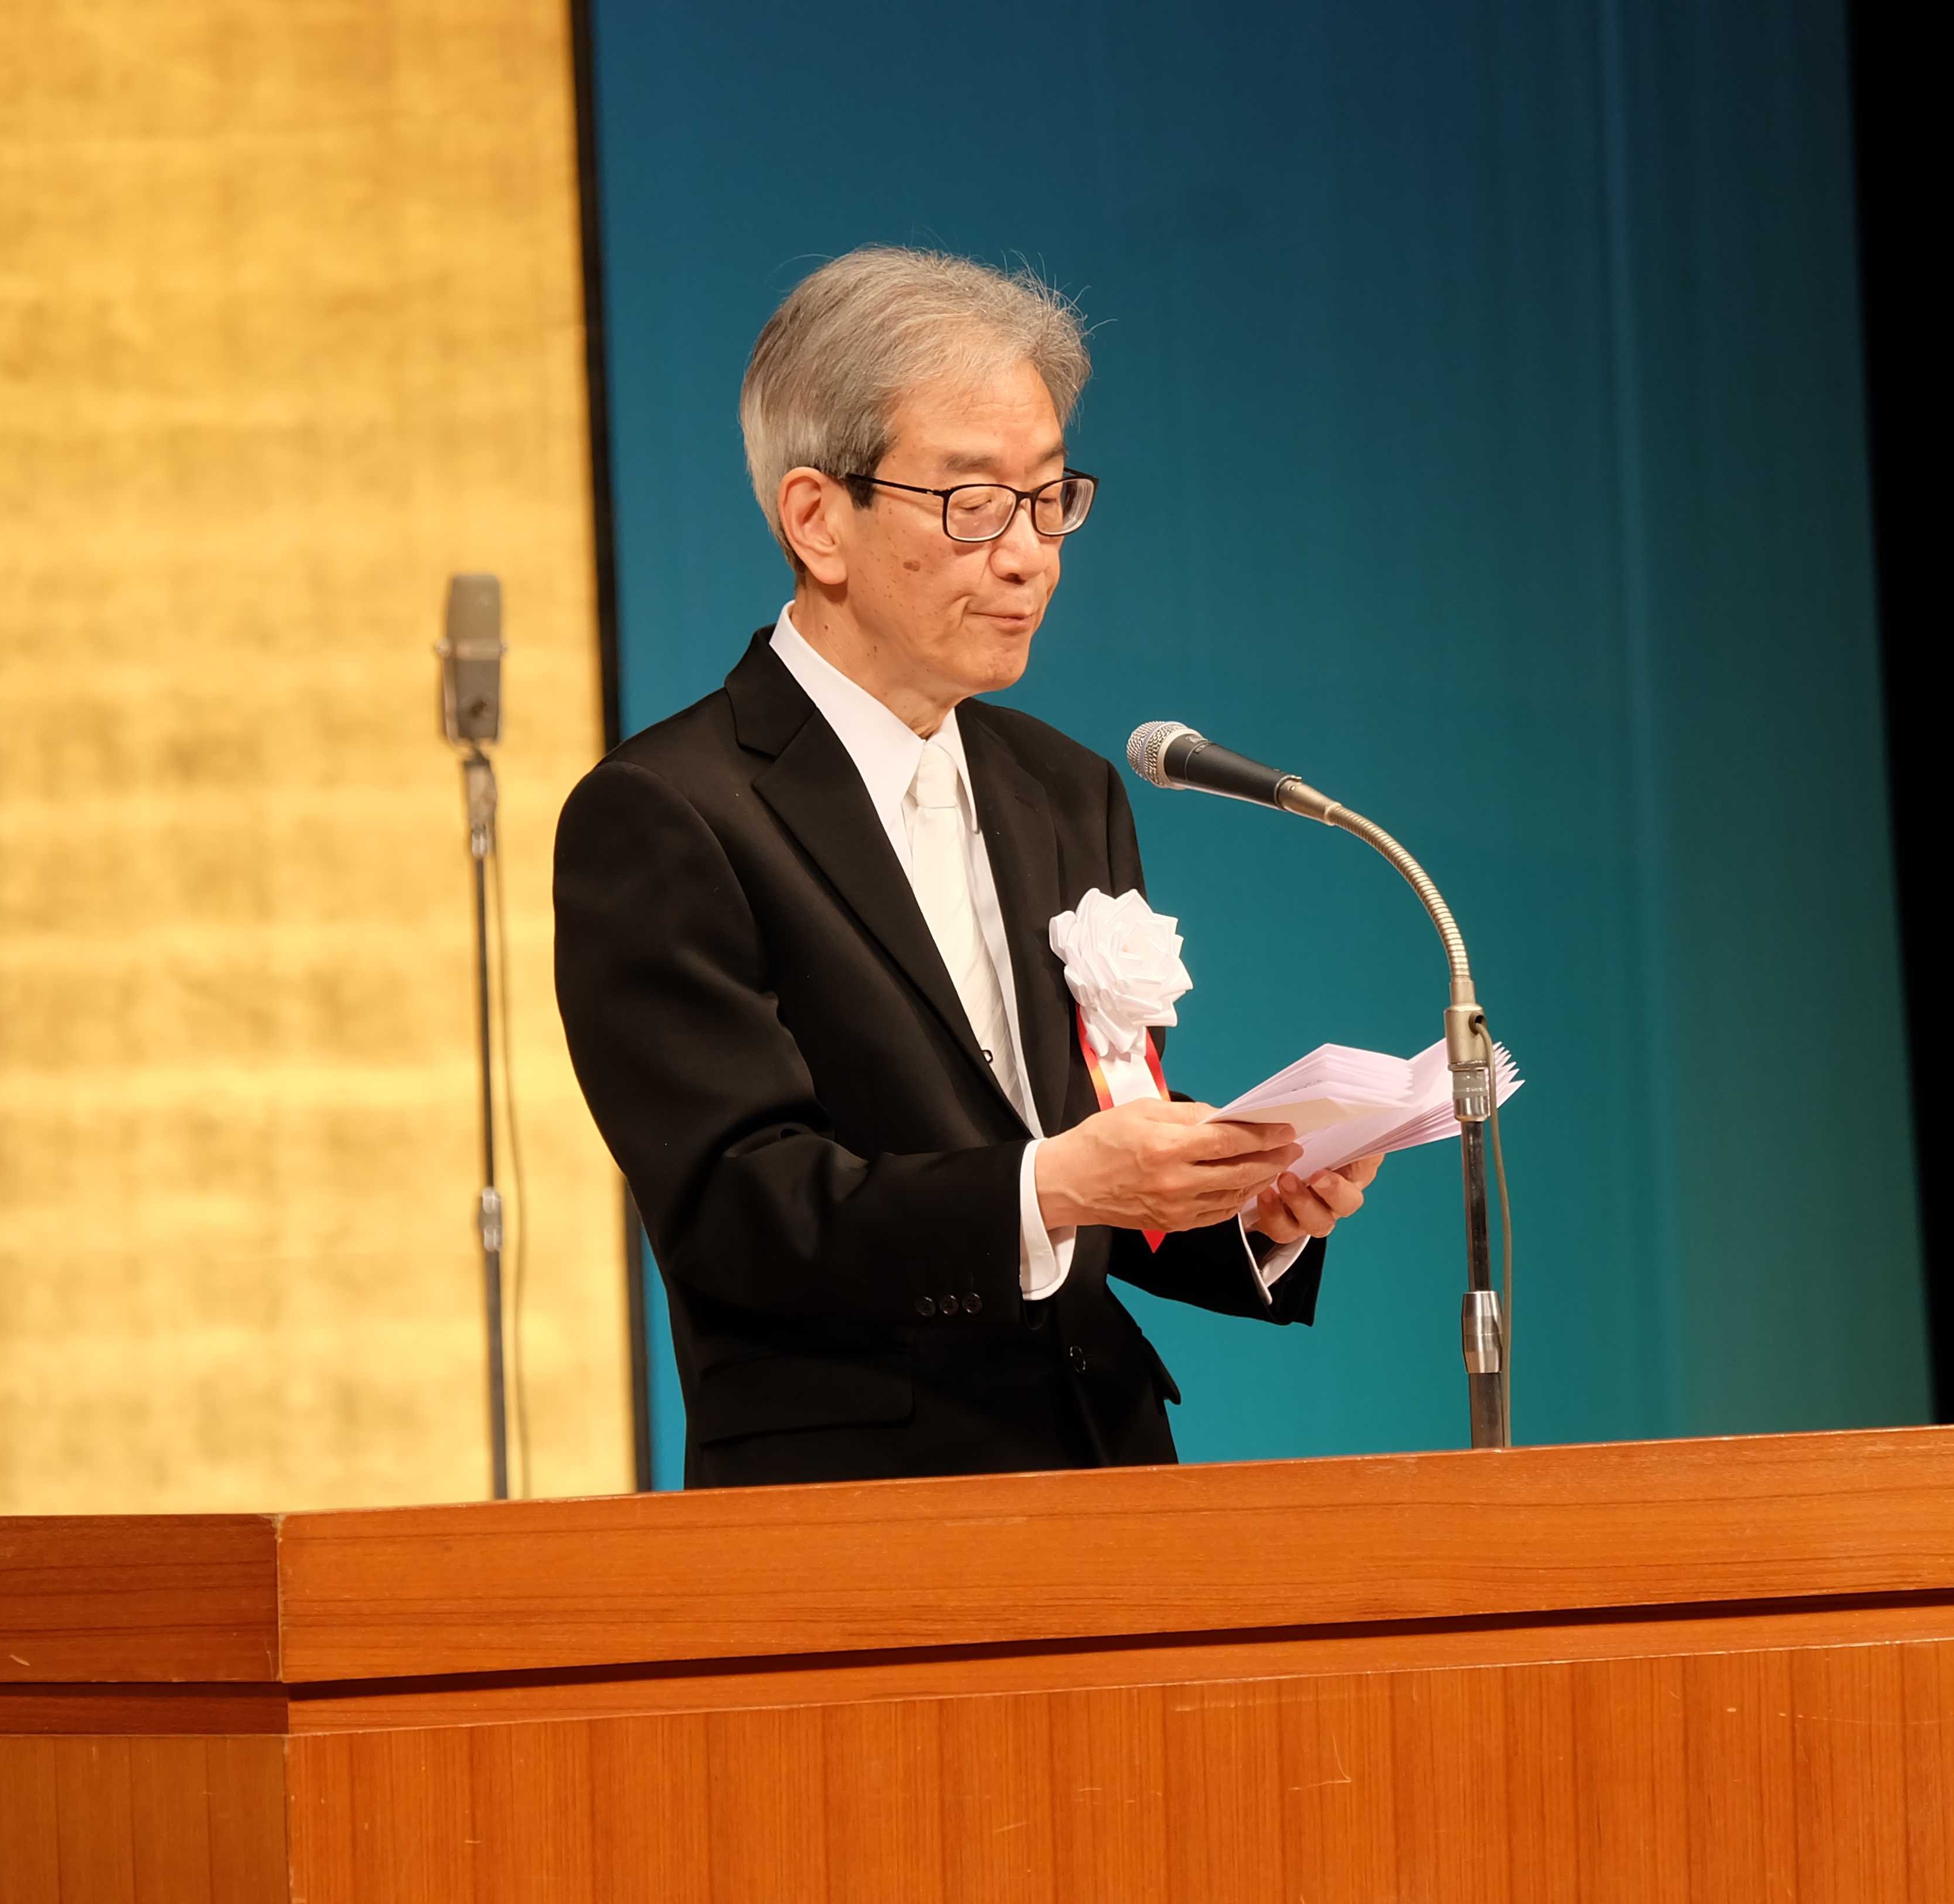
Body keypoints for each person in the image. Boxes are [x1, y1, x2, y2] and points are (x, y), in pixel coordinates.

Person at [554, 247, 1377, 1488]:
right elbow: (738, 1209)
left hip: (1107, 1482)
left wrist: (1241, 1211)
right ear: (817, 520)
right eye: (976, 502)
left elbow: (1092, 1138)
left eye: (1051, 498)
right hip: (854, 1509)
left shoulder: (1062, 787)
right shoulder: (669, 812)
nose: (1031, 554)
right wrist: (1050, 1187)